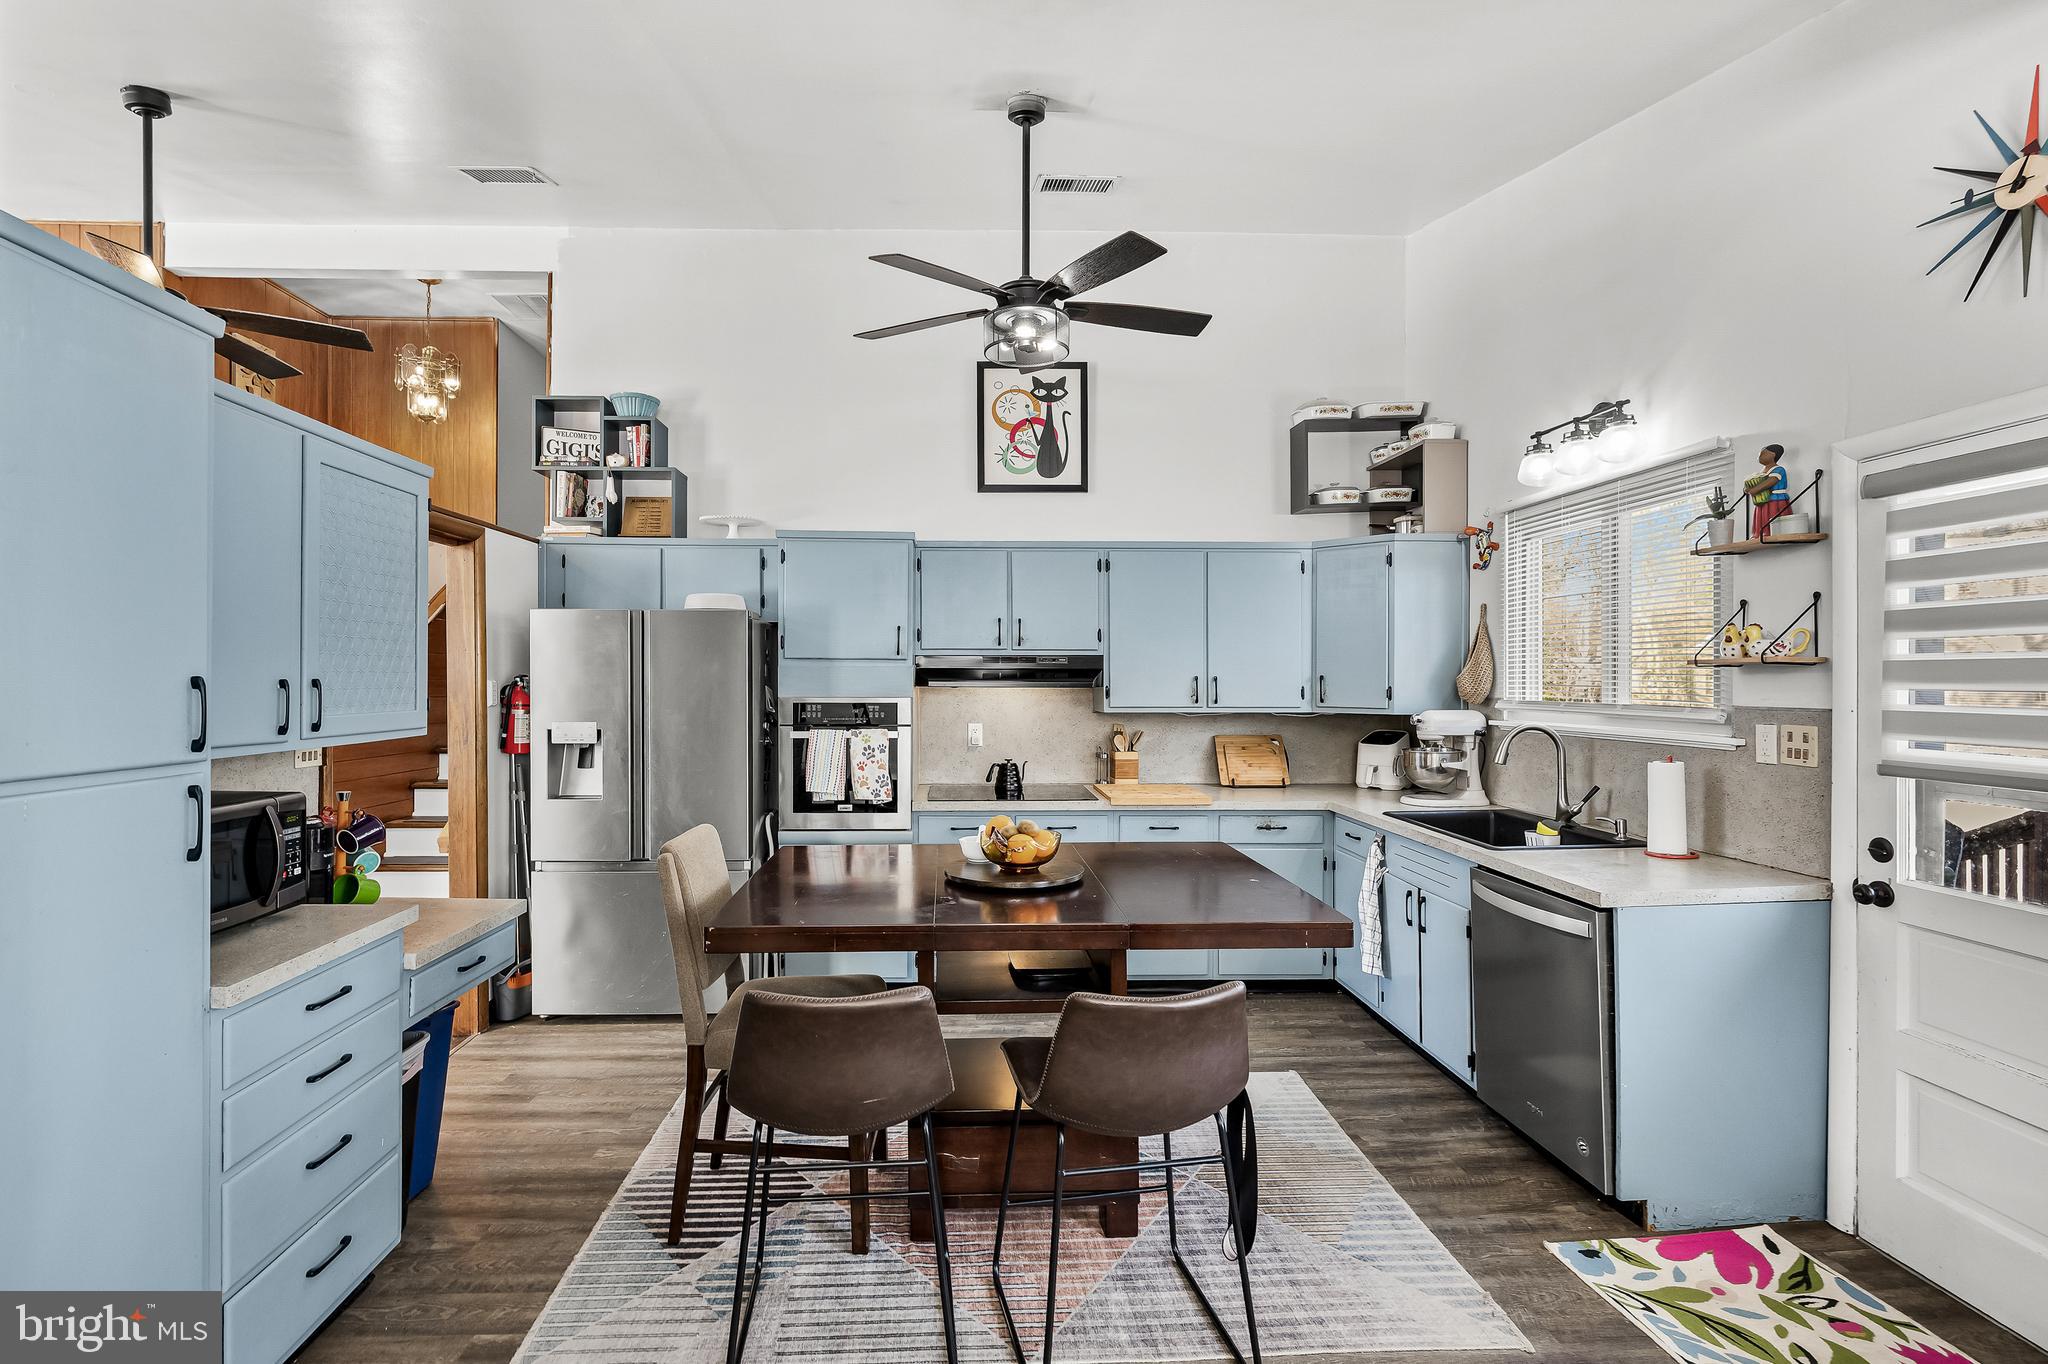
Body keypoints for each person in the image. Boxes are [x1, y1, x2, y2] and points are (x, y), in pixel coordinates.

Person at [1744, 443, 1791, 539]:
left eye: (1763, 454)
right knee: (1760, 516)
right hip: (1762, 500)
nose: (1759, 456)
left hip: (1775, 500)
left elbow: (1771, 481)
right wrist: (1747, 488)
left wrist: (1755, 489)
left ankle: (1770, 532)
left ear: (1773, 455)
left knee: (1772, 514)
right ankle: (1758, 533)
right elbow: (1756, 483)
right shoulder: (1761, 472)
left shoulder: (1779, 469)